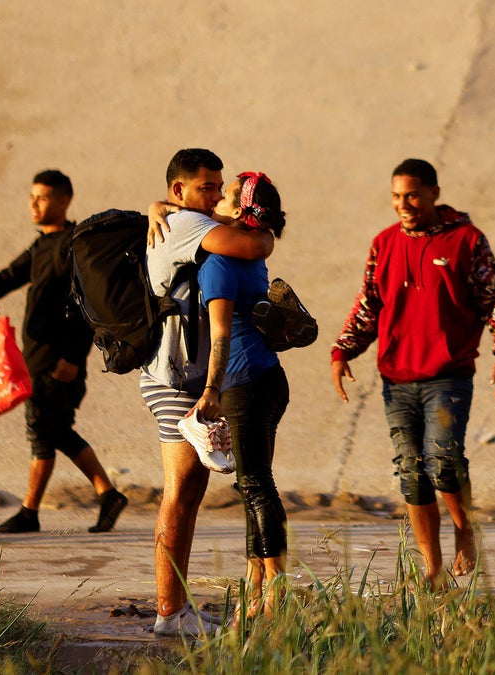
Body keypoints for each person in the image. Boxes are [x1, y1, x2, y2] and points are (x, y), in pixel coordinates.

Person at [331, 159, 495, 588]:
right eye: (397, 196)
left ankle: (464, 528)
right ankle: (432, 571)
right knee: (411, 470)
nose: (405, 204)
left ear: (434, 192)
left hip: (448, 374)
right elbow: (369, 304)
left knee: (443, 460)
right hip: (396, 378)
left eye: (413, 195)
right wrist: (343, 350)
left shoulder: (466, 241)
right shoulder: (383, 243)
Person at [142, 149, 275, 637]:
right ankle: (168, 615)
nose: (218, 195)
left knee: (191, 491)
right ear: (180, 191)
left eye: (221, 187)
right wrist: (264, 224)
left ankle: (173, 609)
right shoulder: (184, 227)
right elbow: (252, 249)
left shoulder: (178, 218)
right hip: (174, 378)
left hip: (186, 375)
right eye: (207, 188)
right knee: (180, 491)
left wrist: (162, 204)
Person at [0, 169, 129, 535]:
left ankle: (38, 509)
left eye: (43, 197)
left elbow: (86, 305)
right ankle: (102, 495)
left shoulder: (74, 245)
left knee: (44, 430)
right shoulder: (40, 246)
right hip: (35, 357)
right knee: (53, 431)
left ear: (64, 201)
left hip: (58, 360)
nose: (33, 203)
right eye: (31, 196)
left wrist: (72, 357)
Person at [194, 172, 291, 621]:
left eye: (226, 194)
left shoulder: (218, 262)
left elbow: (219, 336)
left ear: (239, 211)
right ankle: (255, 584)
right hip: (270, 378)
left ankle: (275, 591)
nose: (216, 198)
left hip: (243, 382)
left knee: (255, 485)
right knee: (254, 482)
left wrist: (211, 389)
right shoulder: (250, 252)